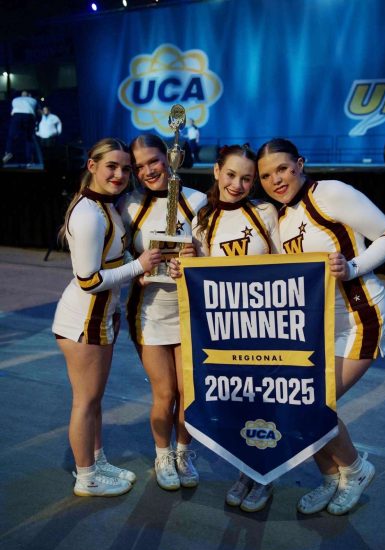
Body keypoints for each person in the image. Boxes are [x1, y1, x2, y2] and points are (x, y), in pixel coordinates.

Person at [256, 137, 385, 515]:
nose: (276, 180)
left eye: (283, 169)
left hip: (360, 316)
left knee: (311, 405)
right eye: (267, 175)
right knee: (298, 405)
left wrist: (353, 267)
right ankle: (330, 477)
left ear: (300, 164)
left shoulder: (331, 194)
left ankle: (355, 469)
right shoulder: (282, 218)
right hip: (317, 326)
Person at [170, 144, 280, 512]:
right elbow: (199, 274)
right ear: (216, 171)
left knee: (267, 402)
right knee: (237, 403)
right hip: (224, 330)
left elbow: (289, 263)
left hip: (265, 326)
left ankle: (265, 476)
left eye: (247, 178)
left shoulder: (265, 211)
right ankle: (245, 470)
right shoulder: (203, 216)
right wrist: (182, 265)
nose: (238, 183)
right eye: (231, 175)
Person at [52, 137, 161, 497]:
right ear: (92, 166)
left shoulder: (104, 207)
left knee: (93, 399)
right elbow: (89, 281)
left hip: (100, 318)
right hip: (83, 320)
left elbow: (110, 266)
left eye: (125, 168)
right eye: (111, 166)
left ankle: (95, 460)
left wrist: (138, 270)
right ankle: (87, 477)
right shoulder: (87, 214)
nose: (119, 174)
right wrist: (139, 266)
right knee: (85, 401)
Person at [117, 134, 207, 492]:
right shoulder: (128, 205)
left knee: (189, 393)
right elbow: (116, 251)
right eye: (138, 167)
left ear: (170, 157)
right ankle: (162, 453)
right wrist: (133, 267)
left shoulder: (197, 200)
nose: (146, 171)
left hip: (189, 312)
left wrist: (195, 260)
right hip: (149, 313)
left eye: (152, 161)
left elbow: (208, 253)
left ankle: (184, 452)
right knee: (165, 393)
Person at [2, 90, 38, 165]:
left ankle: (8, 152)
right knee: (29, 138)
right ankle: (29, 160)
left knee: (11, 136)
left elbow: (12, 110)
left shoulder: (15, 100)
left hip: (17, 116)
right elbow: (36, 110)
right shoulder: (33, 100)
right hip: (29, 115)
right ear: (29, 95)